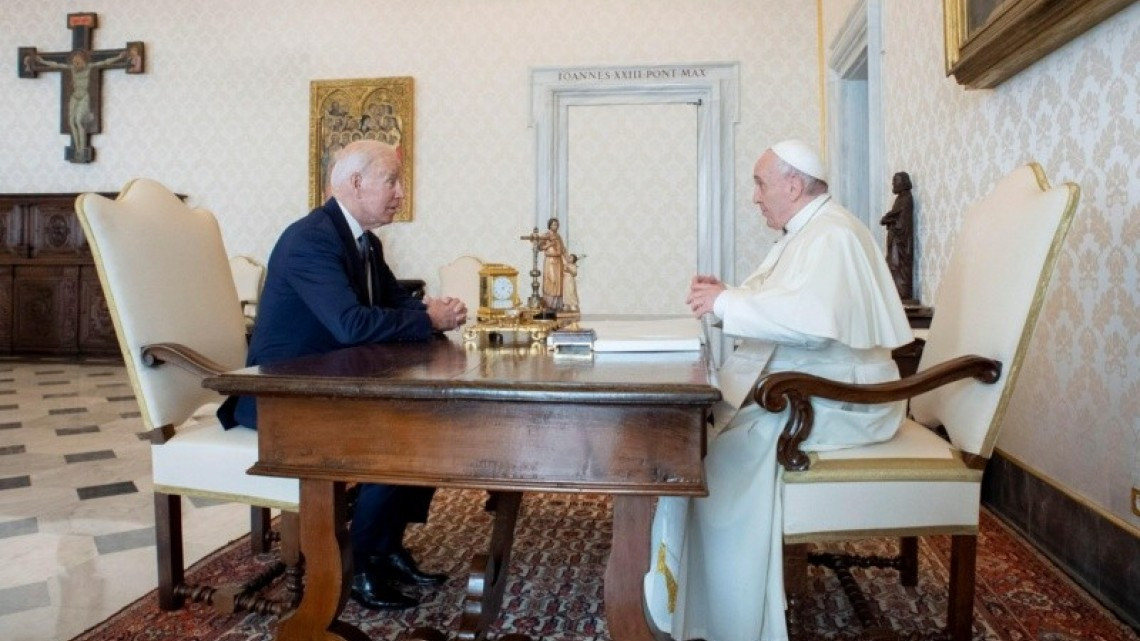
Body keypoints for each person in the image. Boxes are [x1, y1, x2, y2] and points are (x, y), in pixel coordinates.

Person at [644, 140, 912, 641]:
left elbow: (810, 322)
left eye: (760, 183)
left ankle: (730, 619)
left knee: (716, 459)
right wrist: (728, 296)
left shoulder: (832, 235)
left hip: (844, 400)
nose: (755, 197)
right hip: (816, 389)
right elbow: (787, 304)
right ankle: (695, 601)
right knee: (698, 439)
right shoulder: (808, 232)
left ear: (792, 185)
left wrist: (727, 303)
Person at [218, 140, 468, 611]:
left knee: (430, 421)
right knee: (395, 436)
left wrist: (433, 310)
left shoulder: (366, 242)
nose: (401, 193)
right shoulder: (311, 239)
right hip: (280, 396)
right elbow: (350, 324)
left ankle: (386, 547)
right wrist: (426, 320)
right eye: (392, 181)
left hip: (326, 387)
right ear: (355, 183)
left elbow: (394, 301)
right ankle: (360, 564)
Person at [32, 49, 128, 161]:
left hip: (84, 97)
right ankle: (77, 149)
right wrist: (41, 61)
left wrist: (119, 57)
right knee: (71, 122)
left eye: (77, 62)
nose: (75, 64)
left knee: (78, 121)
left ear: (82, 61)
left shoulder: (89, 67)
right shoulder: (72, 68)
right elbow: (56, 65)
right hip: (74, 97)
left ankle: (82, 149)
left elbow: (105, 62)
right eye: (74, 62)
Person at [881, 171, 915, 303]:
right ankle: (896, 292)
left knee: (898, 266)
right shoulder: (900, 198)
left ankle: (902, 293)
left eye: (895, 181)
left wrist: (888, 220)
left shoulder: (906, 199)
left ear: (903, 182)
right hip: (895, 240)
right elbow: (894, 215)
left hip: (901, 242)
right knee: (892, 265)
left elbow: (900, 221)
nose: (893, 184)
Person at [537, 217, 566, 310]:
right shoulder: (546, 235)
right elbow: (539, 247)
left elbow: (563, 249)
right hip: (550, 261)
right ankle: (549, 304)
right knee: (551, 281)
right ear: (549, 225)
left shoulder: (558, 236)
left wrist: (567, 259)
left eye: (556, 225)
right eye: (553, 224)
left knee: (558, 282)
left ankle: (557, 305)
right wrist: (548, 245)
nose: (555, 226)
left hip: (558, 261)